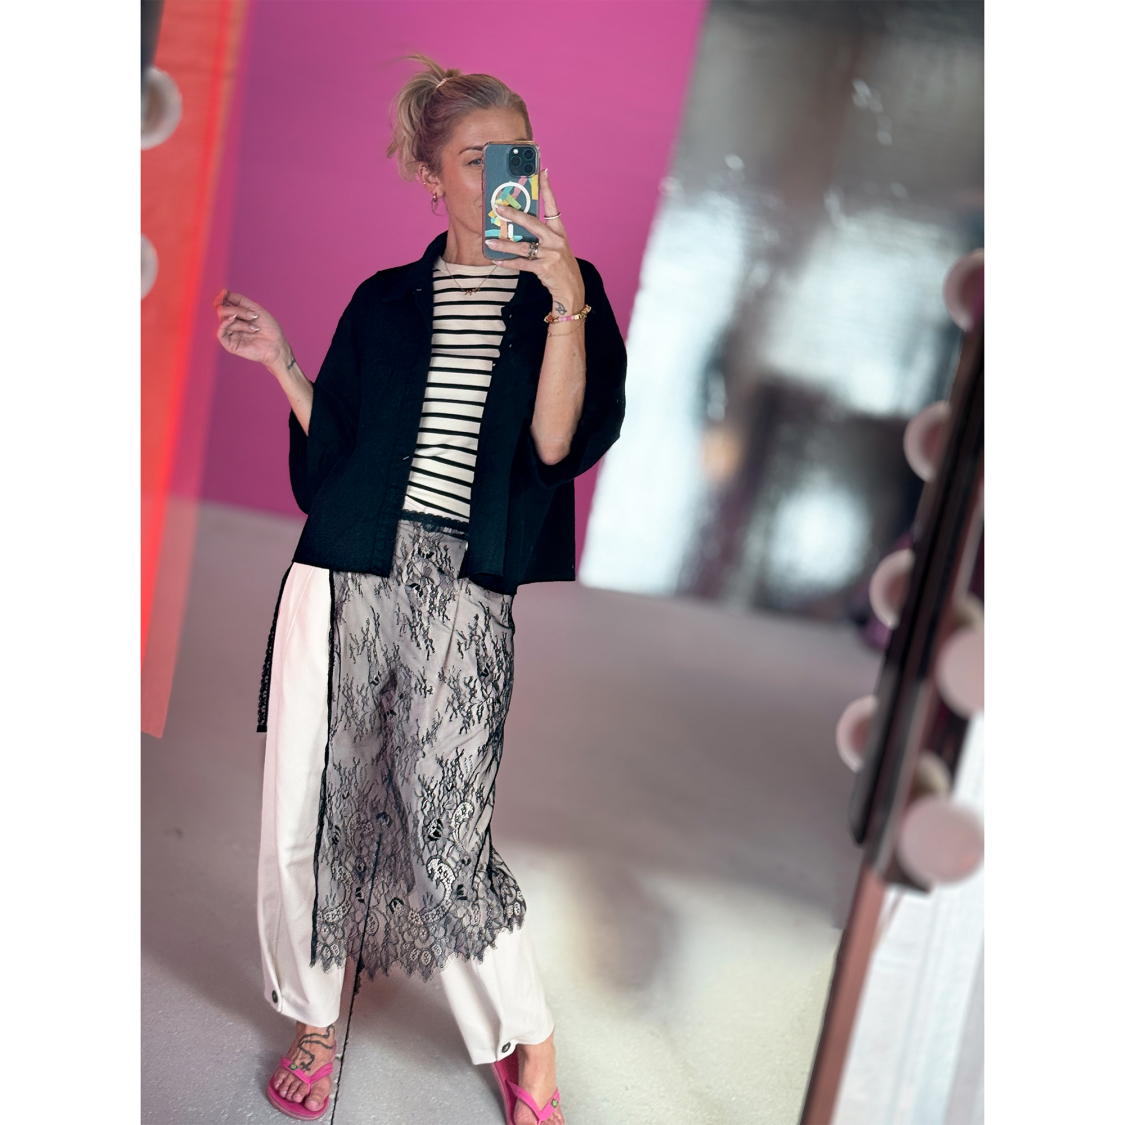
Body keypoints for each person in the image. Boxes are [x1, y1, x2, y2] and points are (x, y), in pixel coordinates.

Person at [213, 55, 626, 1124]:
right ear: (429, 175)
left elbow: (555, 448)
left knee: (448, 836)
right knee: (304, 812)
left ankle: (529, 1033)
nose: (499, 175)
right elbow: (337, 462)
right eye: (474, 158)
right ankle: (316, 1018)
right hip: (343, 571)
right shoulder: (382, 301)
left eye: (515, 152)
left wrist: (567, 303)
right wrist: (284, 365)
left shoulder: (565, 293)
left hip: (464, 589)